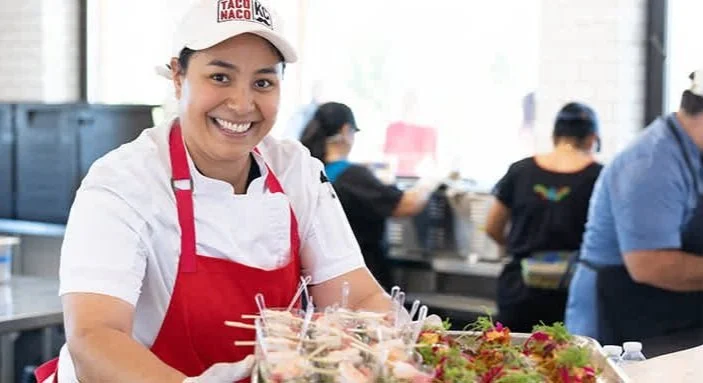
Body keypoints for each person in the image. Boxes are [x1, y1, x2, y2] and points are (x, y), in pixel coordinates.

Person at [34, 2, 395, 382]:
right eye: (220, 77)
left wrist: (399, 349)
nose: (242, 104)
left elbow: (355, 298)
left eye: (263, 82)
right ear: (178, 76)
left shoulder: (296, 171)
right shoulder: (123, 183)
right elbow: (95, 337)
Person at [566, 70, 703, 346]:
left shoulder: (692, 153)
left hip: (665, 316)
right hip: (618, 316)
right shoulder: (652, 164)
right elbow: (650, 265)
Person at [485, 102, 603, 333]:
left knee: (513, 360)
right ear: (592, 139)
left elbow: (492, 226)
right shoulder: (600, 176)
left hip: (521, 289)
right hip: (571, 291)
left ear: (554, 136)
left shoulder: (520, 171)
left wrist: (518, 248)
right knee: (569, 363)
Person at [299, 102, 441, 289]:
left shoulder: (308, 170)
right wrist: (428, 183)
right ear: (346, 130)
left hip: (319, 274)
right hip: (361, 273)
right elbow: (406, 204)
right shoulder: (352, 176)